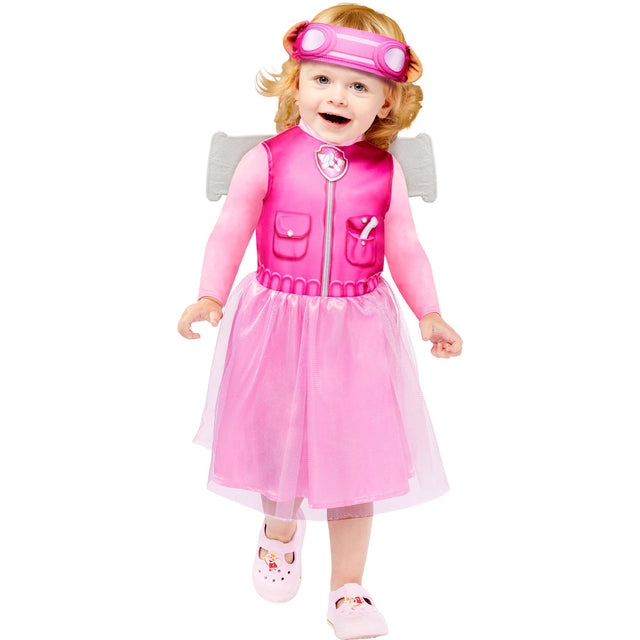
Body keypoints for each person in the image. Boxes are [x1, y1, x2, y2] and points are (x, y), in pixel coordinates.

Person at [178, 4, 462, 638]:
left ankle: (348, 587)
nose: (337, 96)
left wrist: (430, 312)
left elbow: (405, 247)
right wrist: (208, 295)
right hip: (277, 320)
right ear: (297, 83)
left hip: (356, 329)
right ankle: (280, 530)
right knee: (279, 432)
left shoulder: (384, 172)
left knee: (357, 452)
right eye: (323, 79)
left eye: (360, 86)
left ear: (387, 103)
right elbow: (230, 228)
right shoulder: (267, 159)